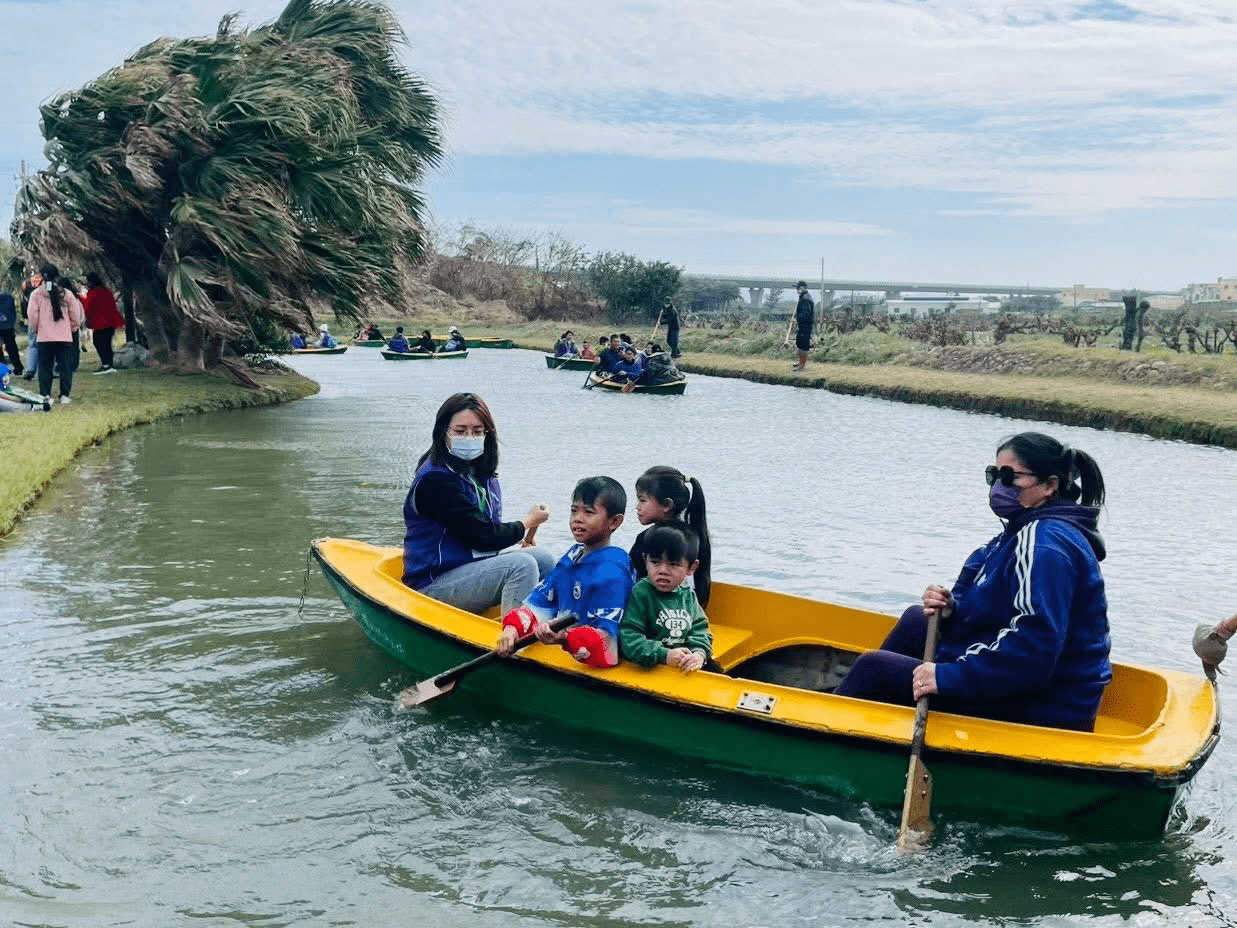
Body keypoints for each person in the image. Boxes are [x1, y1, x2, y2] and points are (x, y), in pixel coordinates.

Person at [835, 432, 1112, 732]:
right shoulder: (1022, 531)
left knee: (873, 669)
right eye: (993, 474)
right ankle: (874, 721)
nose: (998, 486)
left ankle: (833, 732)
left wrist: (947, 677)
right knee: (918, 621)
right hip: (1031, 686)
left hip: (1045, 706)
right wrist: (955, 608)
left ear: (1050, 486)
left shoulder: (1044, 544)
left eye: (1010, 477)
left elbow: (1034, 650)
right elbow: (998, 608)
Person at [403, 393, 555, 614]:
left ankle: (544, 625)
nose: (469, 437)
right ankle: (514, 637)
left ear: (487, 434)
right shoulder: (435, 480)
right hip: (434, 583)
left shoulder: (478, 471)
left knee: (544, 559)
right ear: (443, 432)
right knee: (523, 566)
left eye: (477, 431)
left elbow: (479, 525)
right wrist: (527, 522)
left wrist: (521, 535)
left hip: (469, 570)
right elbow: (484, 537)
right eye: (460, 431)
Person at [497, 476, 635, 668]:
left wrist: (564, 638)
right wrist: (512, 630)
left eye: (588, 512)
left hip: (583, 659)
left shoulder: (613, 573)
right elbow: (542, 601)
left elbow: (609, 645)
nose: (578, 518)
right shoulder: (573, 555)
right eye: (574, 511)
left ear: (614, 522)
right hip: (563, 646)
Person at [620, 522, 712, 673]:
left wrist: (699, 654)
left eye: (674, 564)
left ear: (691, 568)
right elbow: (629, 638)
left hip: (679, 669)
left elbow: (700, 631)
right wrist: (665, 654)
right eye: (655, 562)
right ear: (645, 561)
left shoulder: (687, 596)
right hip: (648, 669)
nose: (663, 570)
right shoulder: (640, 593)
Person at [629, 466, 711, 607]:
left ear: (666, 505)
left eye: (642, 500)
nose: (638, 507)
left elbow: (631, 581)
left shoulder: (648, 539)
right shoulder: (693, 536)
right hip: (688, 613)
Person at [27, 264, 85, 406]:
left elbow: (32, 316)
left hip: (44, 337)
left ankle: (45, 394)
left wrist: (37, 329)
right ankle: (64, 395)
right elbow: (76, 315)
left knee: (45, 367)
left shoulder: (36, 294)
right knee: (65, 367)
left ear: (41, 276)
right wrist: (71, 328)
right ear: (56, 275)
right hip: (64, 337)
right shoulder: (66, 293)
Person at [82, 273, 124, 374]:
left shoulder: (93, 293)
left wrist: (88, 320)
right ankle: (109, 364)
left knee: (99, 343)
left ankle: (106, 365)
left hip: (100, 322)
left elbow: (88, 307)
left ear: (91, 282)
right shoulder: (106, 291)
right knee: (107, 344)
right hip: (111, 322)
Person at [1194, 614, 1237, 682]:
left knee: (1221, 633)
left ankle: (1210, 669)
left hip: (1207, 642)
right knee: (1221, 634)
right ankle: (1210, 667)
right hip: (1209, 643)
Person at [785, 281, 815, 372]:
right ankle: (800, 362)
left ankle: (802, 365)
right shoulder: (802, 298)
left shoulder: (806, 299)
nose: (796, 290)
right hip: (802, 325)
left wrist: (797, 319)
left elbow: (805, 315)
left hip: (805, 325)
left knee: (804, 345)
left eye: (798, 288)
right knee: (799, 343)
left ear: (802, 288)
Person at [0, 287, 22, 376]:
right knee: (11, 347)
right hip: (8, 325)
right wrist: (15, 324)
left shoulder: (8, 297)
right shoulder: (9, 297)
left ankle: (3, 367)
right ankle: (18, 367)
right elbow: (13, 312)